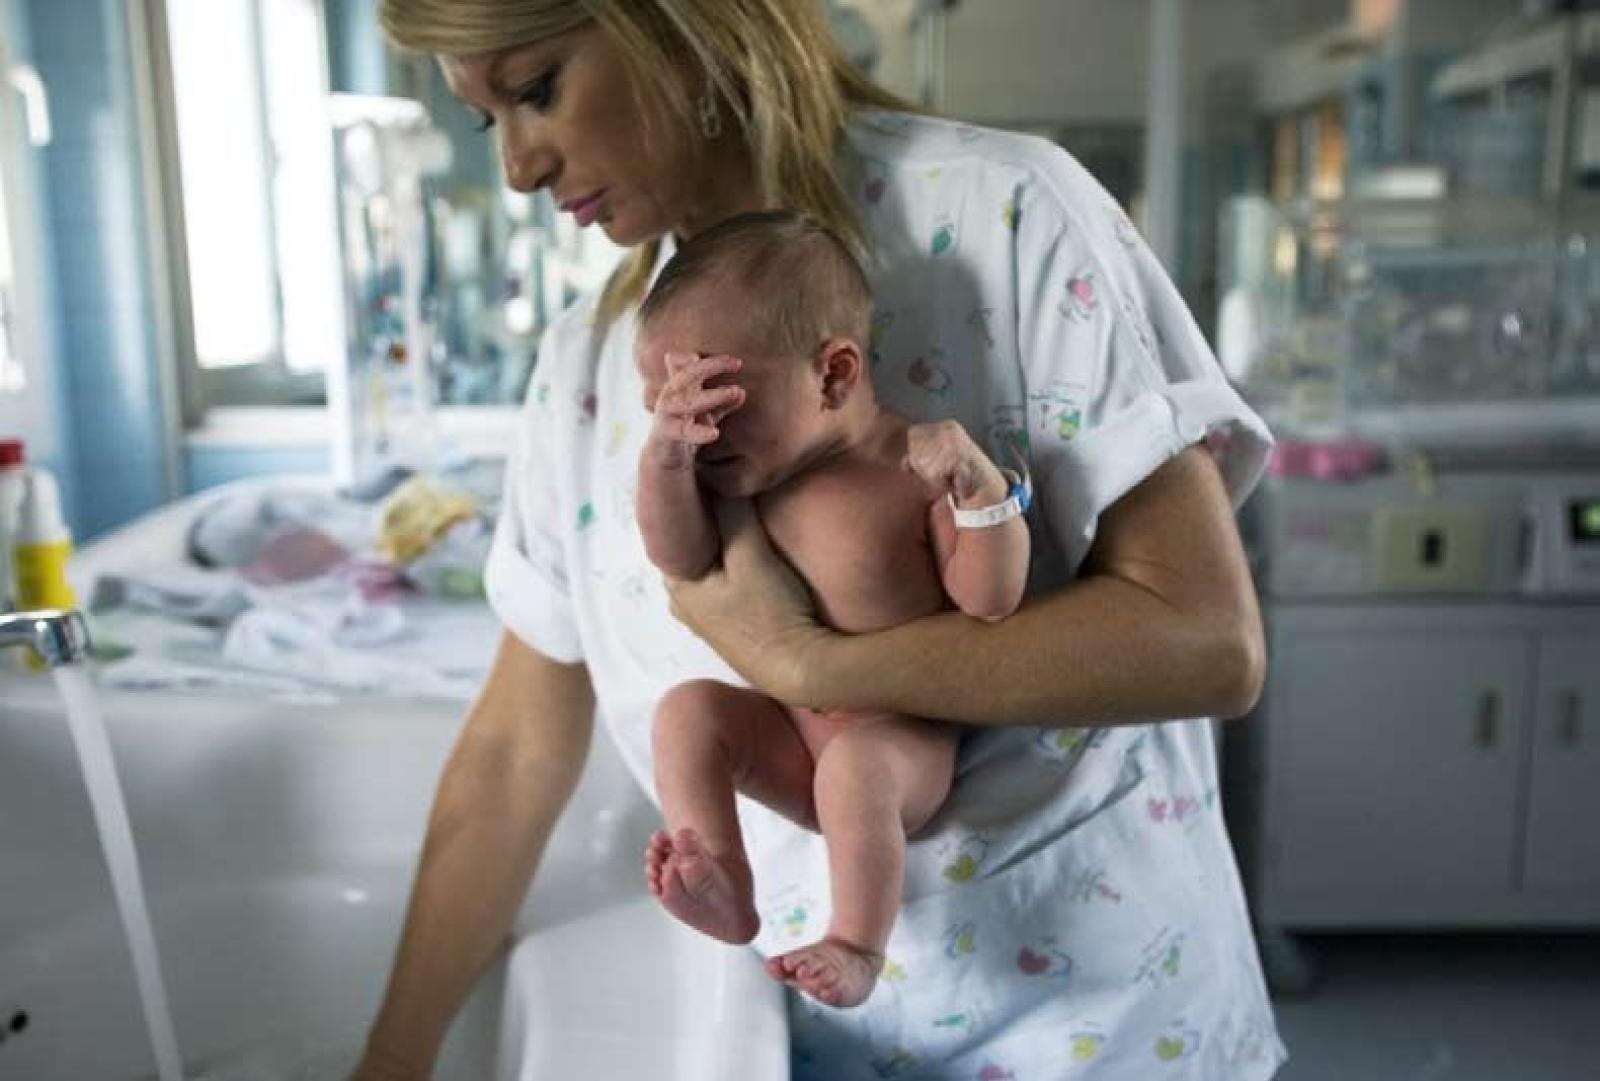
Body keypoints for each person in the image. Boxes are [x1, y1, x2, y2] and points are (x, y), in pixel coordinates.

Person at [360, 1, 1288, 1078]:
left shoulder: (1004, 217)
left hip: (1097, 1035)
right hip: (791, 1038)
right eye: (486, 122)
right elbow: (517, 750)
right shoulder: (594, 367)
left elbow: (1204, 644)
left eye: (534, 90)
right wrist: (390, 1060)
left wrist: (807, 662)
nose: (518, 170)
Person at [634, 210, 1030, 1008]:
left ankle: (855, 941)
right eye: (671, 408)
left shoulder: (912, 468)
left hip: (899, 745)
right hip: (790, 735)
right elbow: (678, 556)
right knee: (686, 713)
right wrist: (665, 457)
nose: (699, 433)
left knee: (852, 768)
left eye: (715, 400)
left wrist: (978, 486)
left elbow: (990, 599)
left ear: (835, 375)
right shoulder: (732, 475)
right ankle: (722, 877)